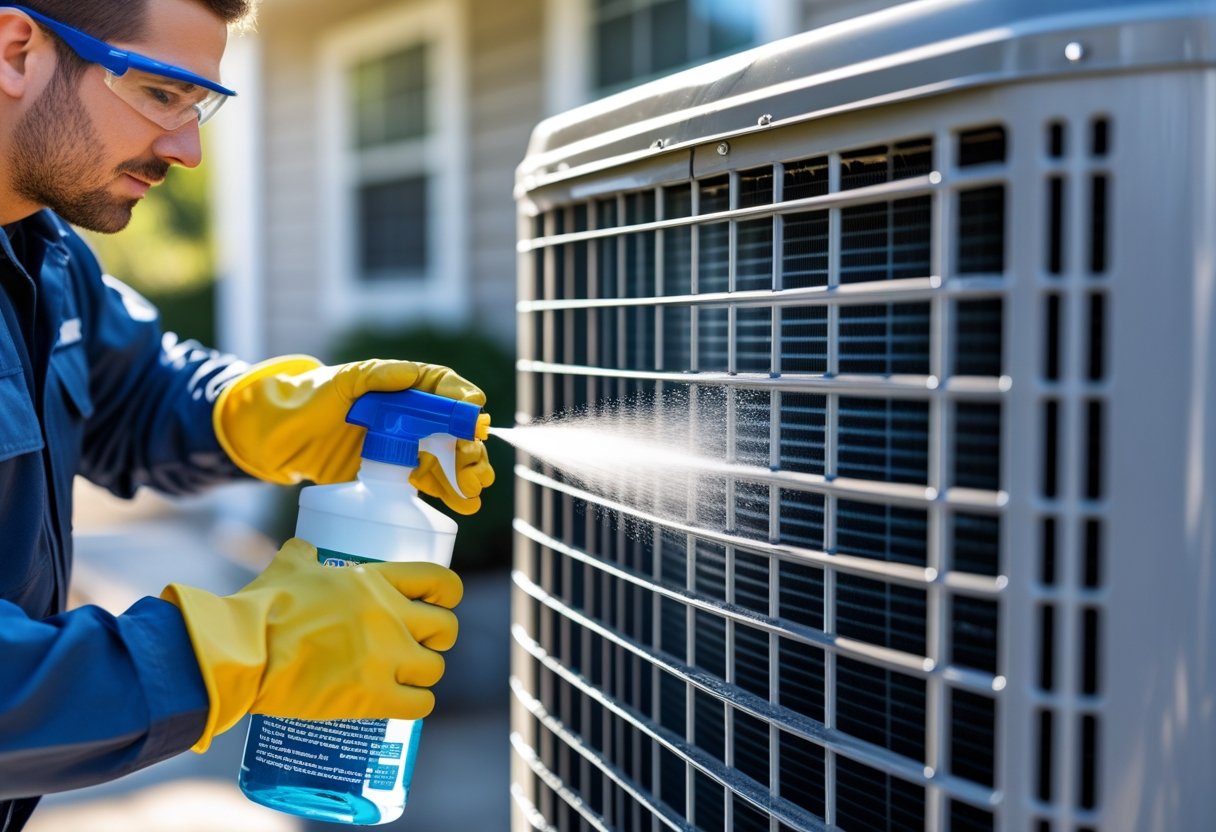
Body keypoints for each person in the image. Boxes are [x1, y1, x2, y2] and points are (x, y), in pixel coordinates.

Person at [0, 1, 495, 828]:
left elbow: (138, 388)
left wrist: (280, 412)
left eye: (199, 108)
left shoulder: (39, 251)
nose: (187, 150)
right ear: (17, 49)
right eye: (161, 94)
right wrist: (231, 653)